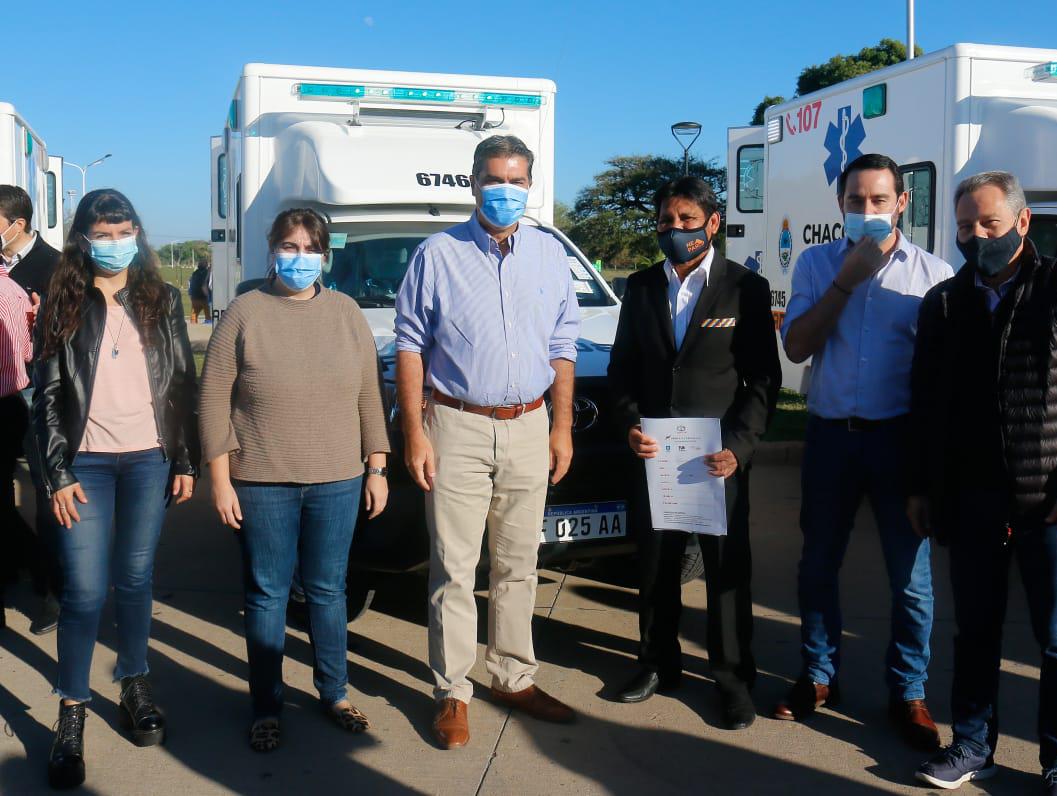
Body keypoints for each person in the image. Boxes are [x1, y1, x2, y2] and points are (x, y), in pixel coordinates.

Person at [909, 172, 1057, 795]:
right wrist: (922, 487)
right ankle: (972, 745)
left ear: (1022, 221)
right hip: (972, 503)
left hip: (1055, 505)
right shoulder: (945, 303)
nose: (977, 237)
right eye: (965, 227)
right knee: (975, 633)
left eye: (989, 223)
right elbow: (926, 406)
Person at [394, 135, 580, 750]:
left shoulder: (550, 254)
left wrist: (561, 426)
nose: (506, 190)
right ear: (473, 183)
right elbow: (410, 343)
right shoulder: (437, 254)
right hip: (457, 425)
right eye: (495, 179)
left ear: (531, 185)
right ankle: (452, 690)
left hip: (529, 424)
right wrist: (415, 432)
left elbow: (563, 345)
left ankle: (512, 677)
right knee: (454, 565)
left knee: (518, 562)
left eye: (517, 180)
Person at [775, 153, 952, 750]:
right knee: (818, 565)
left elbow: (941, 378)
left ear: (902, 203)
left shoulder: (932, 275)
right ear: (840, 204)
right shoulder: (816, 263)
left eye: (880, 200)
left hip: (899, 443)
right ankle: (818, 676)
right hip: (831, 438)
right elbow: (797, 346)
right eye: (856, 201)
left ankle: (909, 692)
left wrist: (932, 467)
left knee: (911, 580)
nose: (868, 210)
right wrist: (846, 281)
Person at [200, 207, 390, 753]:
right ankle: (267, 705)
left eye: (310, 248)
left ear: (325, 256)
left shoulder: (347, 313)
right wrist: (220, 479)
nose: (299, 257)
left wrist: (377, 466)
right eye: (289, 246)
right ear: (272, 249)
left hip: (338, 480)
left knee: (329, 591)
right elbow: (212, 399)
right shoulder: (244, 312)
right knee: (267, 595)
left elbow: (368, 395)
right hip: (261, 480)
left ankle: (335, 692)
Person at [32, 189, 200, 789]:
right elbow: (48, 395)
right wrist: (56, 473)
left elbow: (180, 382)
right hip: (86, 466)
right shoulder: (64, 298)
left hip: (149, 460)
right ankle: (72, 708)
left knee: (133, 580)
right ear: (82, 239)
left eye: (122, 231)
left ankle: (133, 681)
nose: (113, 244)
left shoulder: (162, 298)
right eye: (101, 234)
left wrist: (185, 459)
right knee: (83, 591)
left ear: (137, 233)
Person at [606, 176, 780, 729]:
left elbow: (763, 378)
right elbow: (622, 369)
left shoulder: (745, 287)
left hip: (717, 459)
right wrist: (630, 424)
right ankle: (657, 662)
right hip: (656, 455)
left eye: (686, 220)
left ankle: (732, 678)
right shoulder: (640, 287)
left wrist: (739, 446)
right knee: (657, 565)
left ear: (713, 223)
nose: (675, 229)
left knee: (727, 571)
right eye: (666, 220)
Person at [1, 184, 62, 634]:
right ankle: (13, 568)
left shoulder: (55, 267)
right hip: (5, 396)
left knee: (46, 492)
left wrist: (42, 325)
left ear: (17, 224)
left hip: (40, 394)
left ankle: (53, 591)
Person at [0, 259, 33, 630]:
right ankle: (16, 565)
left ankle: (36, 565)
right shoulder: (15, 291)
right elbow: (26, 352)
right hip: (12, 404)